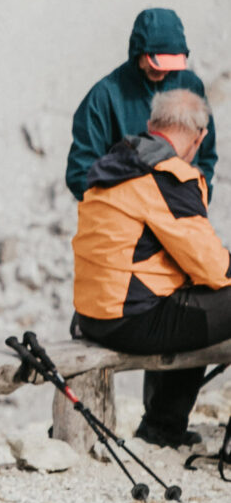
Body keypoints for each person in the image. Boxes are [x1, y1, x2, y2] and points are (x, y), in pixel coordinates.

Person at [72, 86, 231, 449]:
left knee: (194, 308)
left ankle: (163, 427)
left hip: (92, 313)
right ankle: (163, 426)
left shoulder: (116, 165)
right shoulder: (166, 176)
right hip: (130, 319)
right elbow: (212, 267)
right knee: (206, 300)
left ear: (151, 124)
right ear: (199, 137)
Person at [67, 9, 217, 203]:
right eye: (157, 65)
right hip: (124, 220)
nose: (163, 72)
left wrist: (198, 195)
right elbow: (80, 172)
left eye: (170, 65)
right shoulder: (104, 96)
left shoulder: (191, 85)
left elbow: (206, 151)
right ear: (139, 52)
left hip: (182, 210)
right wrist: (126, 206)